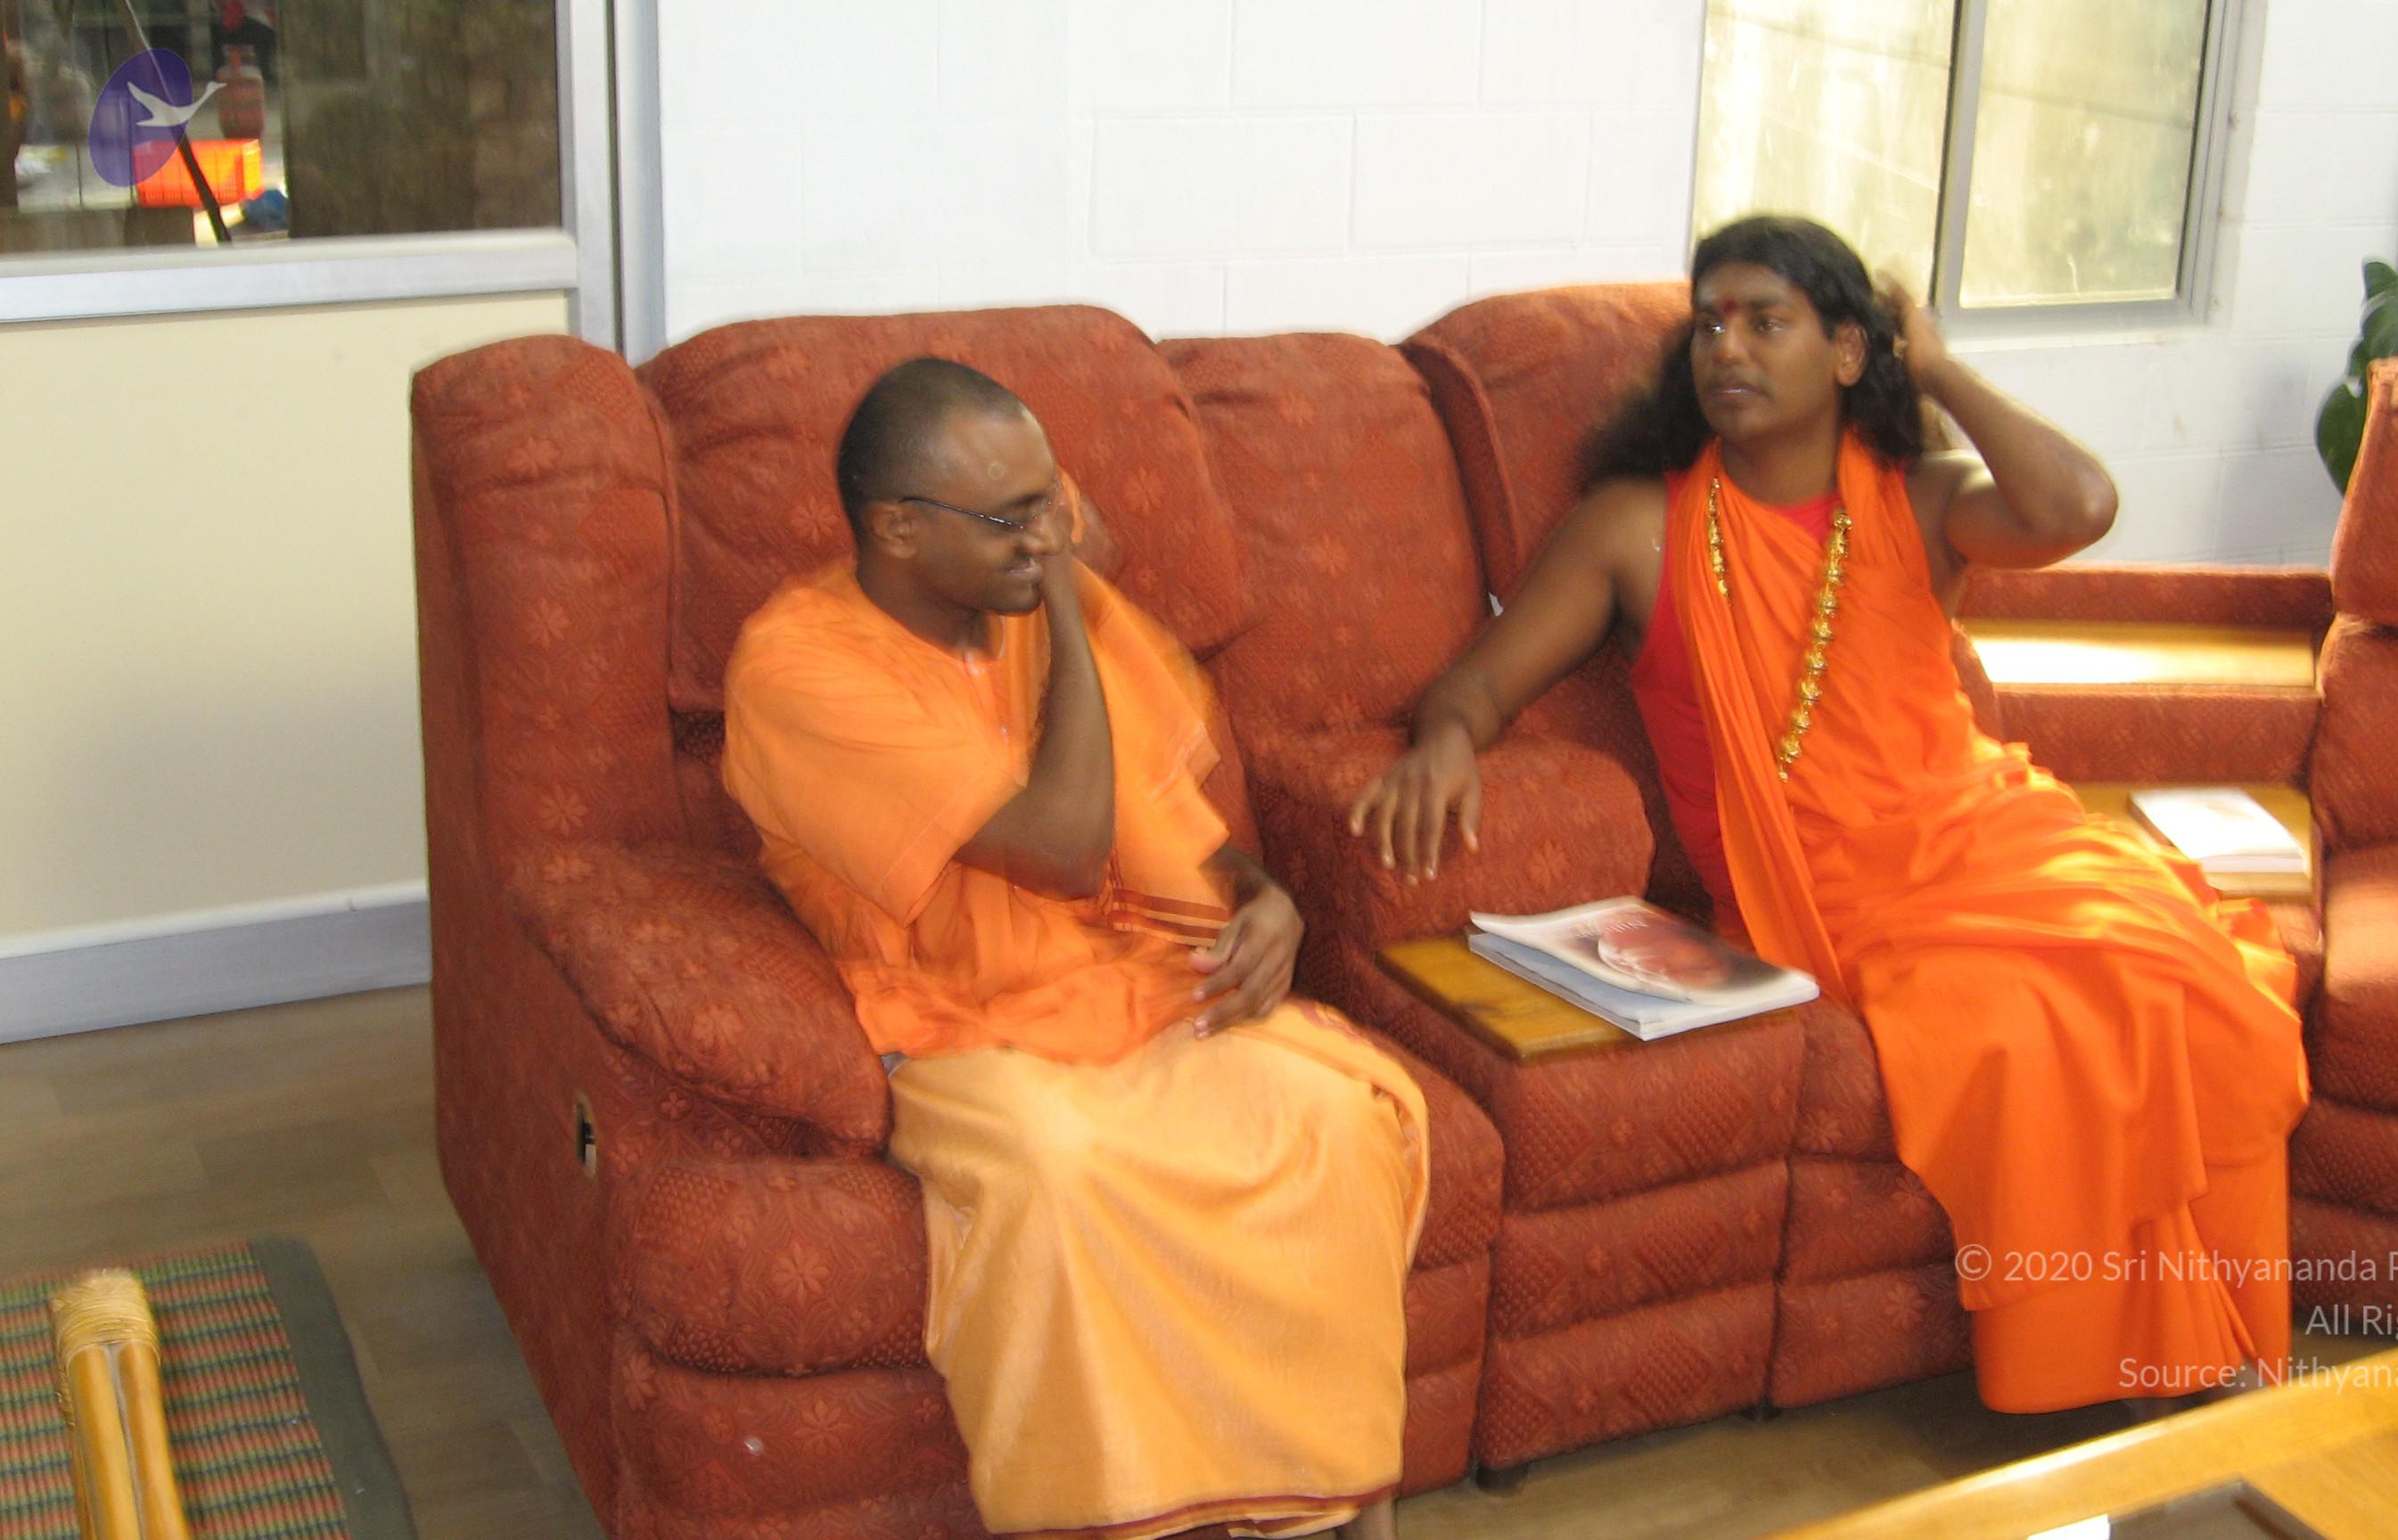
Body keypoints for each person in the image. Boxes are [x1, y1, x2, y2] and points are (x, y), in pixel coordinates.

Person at [1351, 216, 2309, 1413]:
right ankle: (2140, 1375)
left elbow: (2081, 502)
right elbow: (1480, 684)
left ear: (1850, 352)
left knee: (2184, 975)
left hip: (1990, 831)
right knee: (2028, 1022)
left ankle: (2195, 1356)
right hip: (1830, 891)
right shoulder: (1638, 529)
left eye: (1767, 322)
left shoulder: (1917, 500)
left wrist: (1941, 369)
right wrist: (1445, 741)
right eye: (1709, 324)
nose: (1727, 349)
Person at [723, 359, 1427, 1539]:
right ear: (898, 529)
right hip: (958, 1027)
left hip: (1136, 982)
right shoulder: (798, 667)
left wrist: (1273, 906)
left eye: (1052, 502)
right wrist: (1061, 594)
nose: (1051, 533)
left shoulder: (1031, 602)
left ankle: (1338, 1513)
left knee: (1334, 1119)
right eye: (1013, 519)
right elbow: (1062, 845)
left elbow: (1184, 840)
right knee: (1056, 1167)